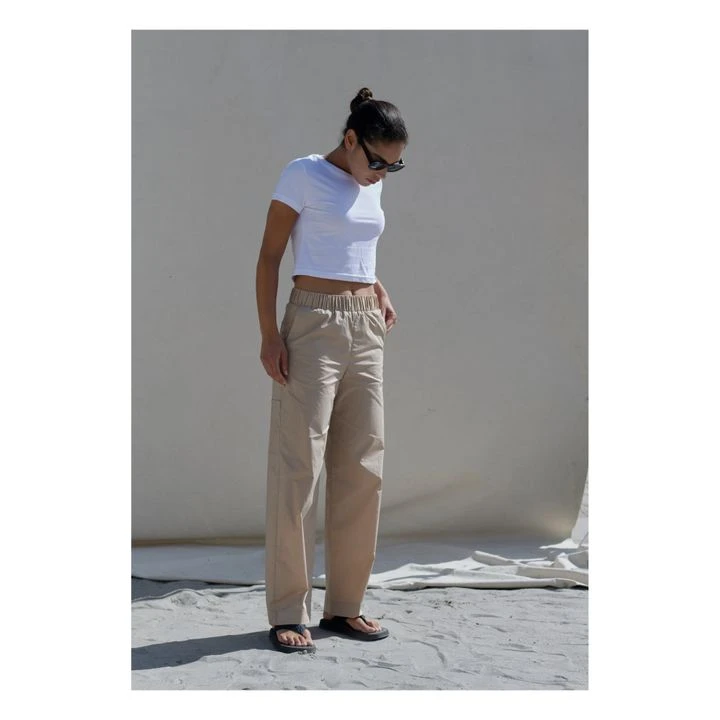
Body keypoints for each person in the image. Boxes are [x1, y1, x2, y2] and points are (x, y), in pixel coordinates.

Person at [256, 87, 408, 653]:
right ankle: (287, 610)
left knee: (363, 465)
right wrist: (270, 335)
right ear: (350, 139)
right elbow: (270, 256)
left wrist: (377, 287)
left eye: (394, 166)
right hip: (312, 324)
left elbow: (352, 246)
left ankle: (345, 605)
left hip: (365, 327)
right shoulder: (303, 174)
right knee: (299, 465)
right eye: (378, 161)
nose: (383, 173)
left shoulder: (372, 183)